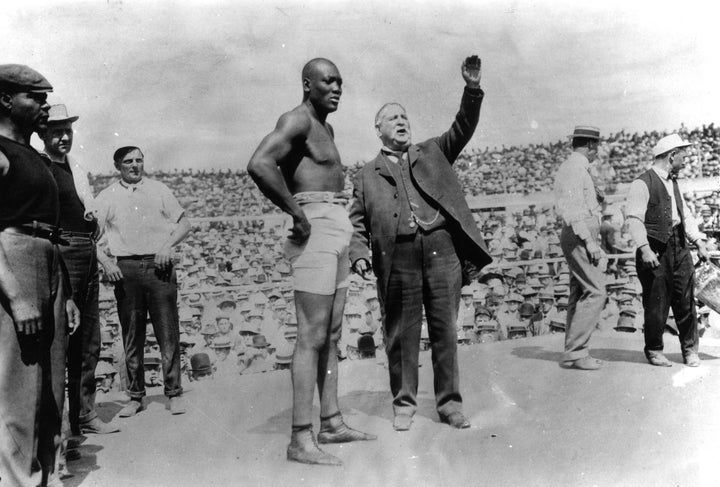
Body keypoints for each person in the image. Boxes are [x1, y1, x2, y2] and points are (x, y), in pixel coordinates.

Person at [349, 55, 491, 431]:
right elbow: (357, 223)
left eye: (405, 117)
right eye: (393, 118)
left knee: (445, 330)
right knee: (401, 335)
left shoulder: (433, 151)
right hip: (399, 261)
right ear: (377, 129)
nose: (401, 121)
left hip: (442, 252)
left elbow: (463, 127)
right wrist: (360, 255)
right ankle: (404, 404)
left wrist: (472, 89)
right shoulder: (365, 176)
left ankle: (449, 404)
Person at [247, 58, 375, 466]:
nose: (337, 87)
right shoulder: (297, 120)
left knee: (333, 334)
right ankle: (300, 438)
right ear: (307, 84)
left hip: (335, 223)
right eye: (328, 81)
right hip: (315, 224)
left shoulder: (326, 127)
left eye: (340, 81)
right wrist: (297, 215)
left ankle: (331, 422)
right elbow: (259, 164)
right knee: (311, 335)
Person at [0, 64, 80, 487]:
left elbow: (48, 226)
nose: (45, 105)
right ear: (6, 100)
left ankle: (43, 478)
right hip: (15, 258)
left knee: (50, 386)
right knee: (19, 388)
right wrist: (15, 295)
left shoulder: (36, 156)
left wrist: (63, 293)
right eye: (36, 97)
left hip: (48, 260)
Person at [39, 104, 120, 436]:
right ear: (42, 134)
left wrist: (94, 220)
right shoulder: (40, 167)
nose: (64, 137)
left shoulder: (76, 168)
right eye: (57, 131)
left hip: (86, 251)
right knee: (60, 340)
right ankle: (58, 428)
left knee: (89, 341)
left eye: (68, 131)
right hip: (61, 251)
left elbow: (89, 211)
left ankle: (84, 413)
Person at [94, 145, 191, 416]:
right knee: (132, 334)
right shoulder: (107, 196)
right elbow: (89, 237)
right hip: (127, 269)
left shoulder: (159, 189)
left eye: (139, 160)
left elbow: (184, 224)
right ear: (118, 166)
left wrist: (168, 246)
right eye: (128, 161)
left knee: (168, 331)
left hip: (160, 266)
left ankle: (173, 392)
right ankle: (135, 397)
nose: (135, 165)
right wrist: (107, 262)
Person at [624, 134, 709, 367]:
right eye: (683, 154)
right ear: (672, 155)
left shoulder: (673, 181)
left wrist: (698, 241)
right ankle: (654, 349)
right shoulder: (642, 183)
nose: (686, 158)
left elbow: (685, 215)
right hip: (654, 248)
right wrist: (644, 248)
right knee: (656, 302)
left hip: (679, 247)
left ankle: (690, 350)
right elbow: (633, 219)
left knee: (685, 300)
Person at [553, 126, 607, 370]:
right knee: (596, 291)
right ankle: (577, 351)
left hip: (579, 232)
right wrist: (590, 241)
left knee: (580, 291)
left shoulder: (575, 167)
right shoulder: (575, 168)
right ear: (591, 146)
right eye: (598, 147)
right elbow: (573, 210)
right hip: (579, 233)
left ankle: (573, 351)